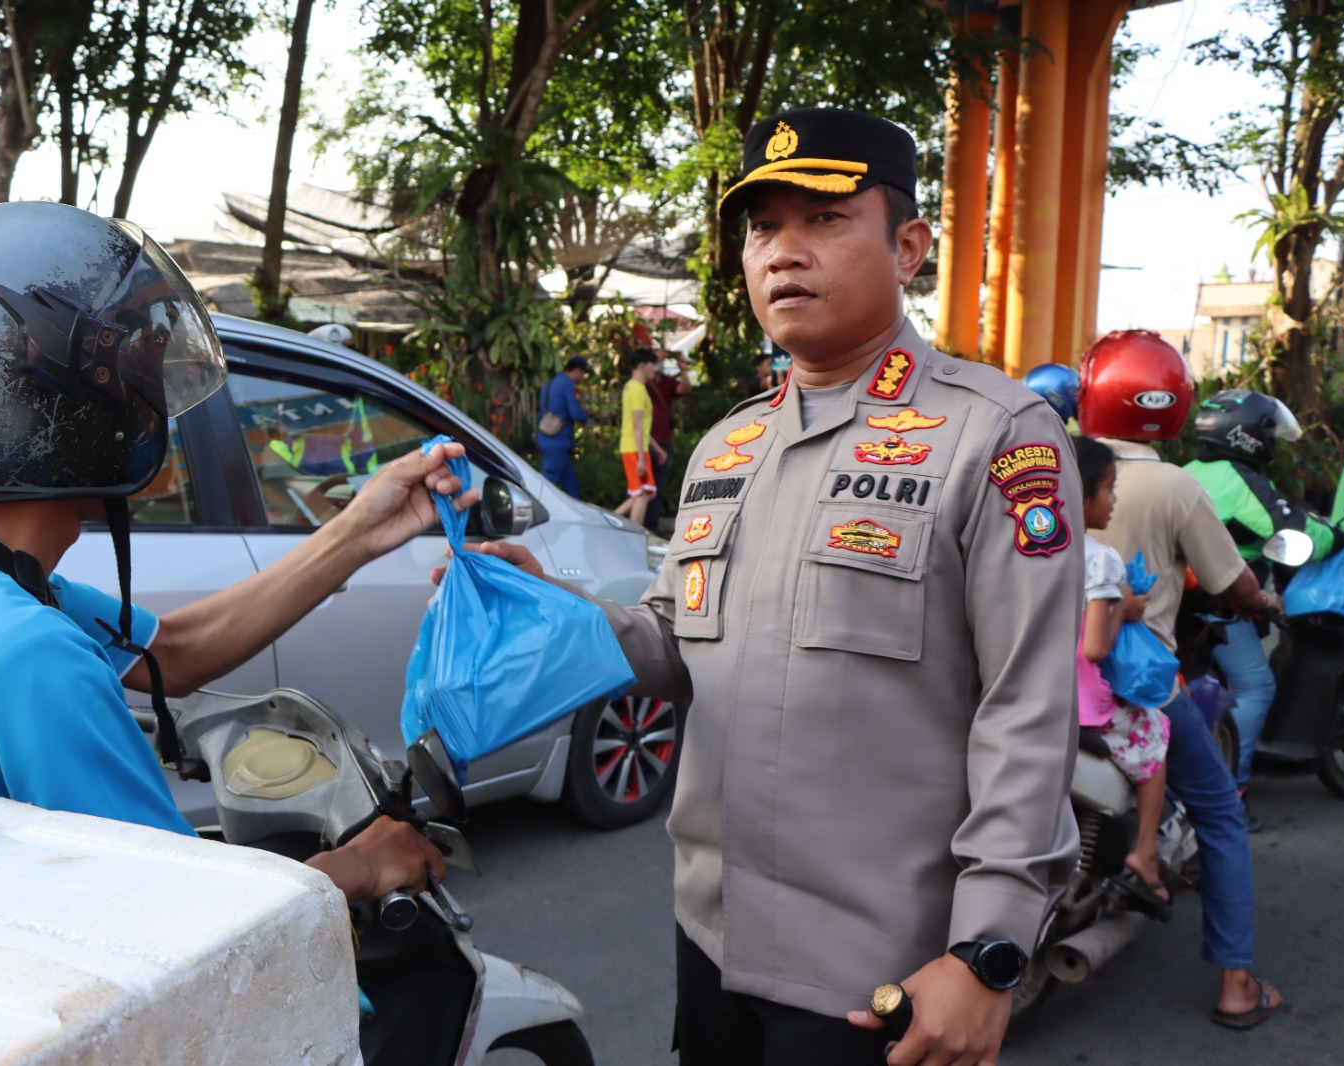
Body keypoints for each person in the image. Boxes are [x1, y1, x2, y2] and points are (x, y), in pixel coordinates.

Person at [457, 107, 1080, 1065]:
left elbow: (1028, 708)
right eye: (762, 228)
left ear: (909, 245)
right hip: (710, 941)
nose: (784, 253)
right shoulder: (727, 445)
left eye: (825, 219)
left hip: (880, 975)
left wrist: (987, 948)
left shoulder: (994, 436)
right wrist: (556, 606)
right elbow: (675, 645)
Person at [0, 201, 452, 907]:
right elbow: (178, 920)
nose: (154, 388)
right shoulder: (26, 654)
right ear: (73, 407)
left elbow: (178, 651)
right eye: (137, 362)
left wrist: (362, 531)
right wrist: (361, 865)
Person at [1077, 329, 1287, 1029]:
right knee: (1222, 815)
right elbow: (1236, 584)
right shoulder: (1177, 484)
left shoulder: (1043, 471)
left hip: (1042, 673)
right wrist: (1263, 602)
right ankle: (1236, 984)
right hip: (1140, 686)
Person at [1184, 388, 1344, 824]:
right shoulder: (1242, 483)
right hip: (1215, 604)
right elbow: (1293, 529)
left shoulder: (1194, 471)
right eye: (1268, 431)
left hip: (1179, 601)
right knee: (1256, 686)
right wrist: (1339, 536)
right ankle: (1231, 791)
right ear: (1248, 435)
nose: (1273, 441)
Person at [1073, 435, 1170, 900]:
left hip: (1021, 694)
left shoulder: (1021, 548)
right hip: (1079, 706)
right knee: (1157, 732)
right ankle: (1145, 849)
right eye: (1109, 488)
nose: (1114, 501)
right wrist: (1125, 609)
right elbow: (1094, 648)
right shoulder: (1101, 561)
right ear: (1082, 490)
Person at [644, 349, 693, 533]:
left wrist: (683, 369)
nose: (661, 360)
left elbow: (686, 389)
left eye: (663, 358)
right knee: (642, 488)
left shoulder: (667, 382)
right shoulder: (643, 382)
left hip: (663, 440)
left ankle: (652, 525)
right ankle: (638, 525)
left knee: (657, 485)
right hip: (645, 441)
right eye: (658, 357)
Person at [614, 348, 662, 526]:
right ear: (642, 366)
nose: (654, 369)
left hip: (633, 446)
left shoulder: (630, 387)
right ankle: (633, 533)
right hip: (635, 448)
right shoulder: (638, 390)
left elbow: (640, 426)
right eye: (652, 365)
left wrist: (656, 449)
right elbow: (636, 425)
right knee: (644, 494)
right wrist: (642, 457)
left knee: (642, 493)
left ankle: (610, 520)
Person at [536, 355, 592, 498]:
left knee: (570, 483)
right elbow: (574, 413)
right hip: (558, 441)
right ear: (577, 370)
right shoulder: (568, 385)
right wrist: (586, 416)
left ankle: (579, 515)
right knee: (547, 485)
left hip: (545, 436)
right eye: (583, 374)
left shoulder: (550, 384)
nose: (582, 377)